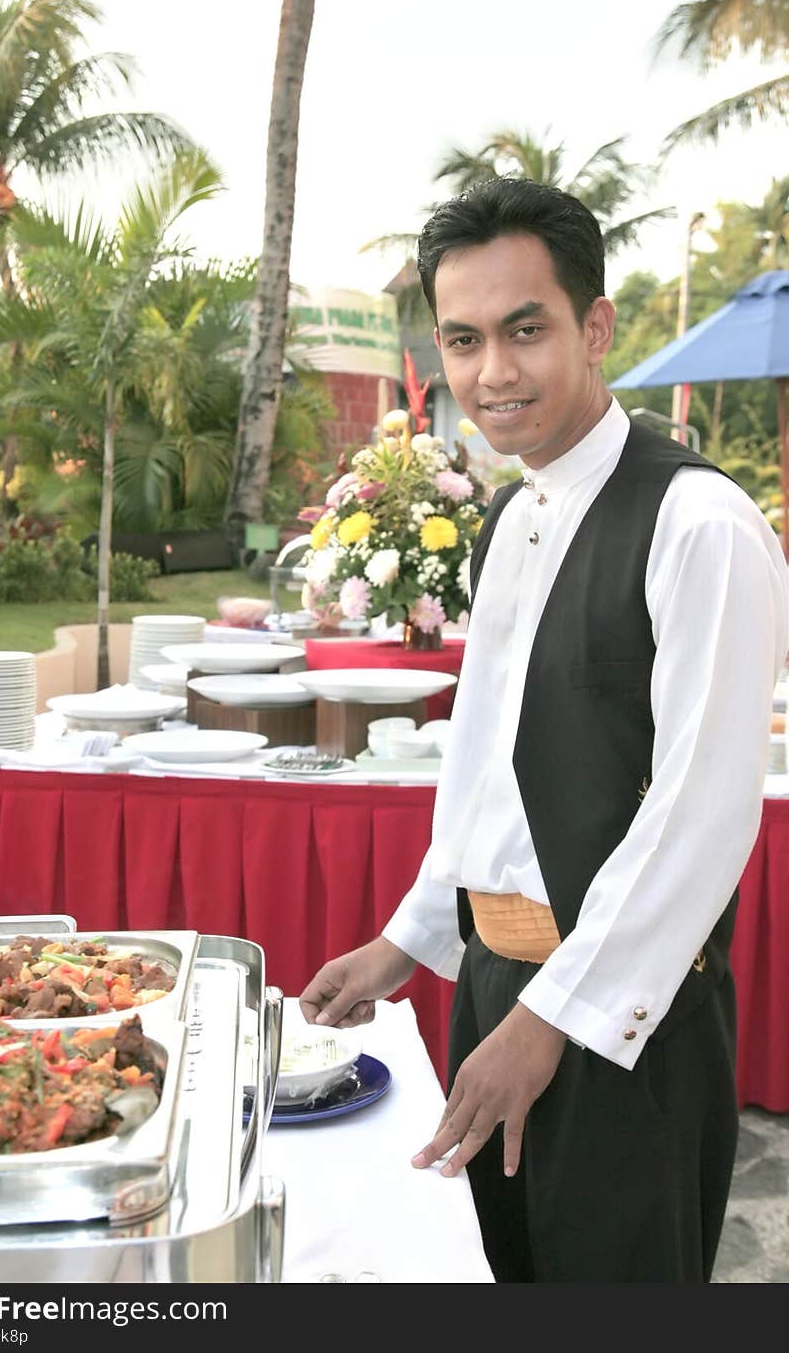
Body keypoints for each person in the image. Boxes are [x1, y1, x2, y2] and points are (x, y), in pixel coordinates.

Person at [299, 176, 789, 1283]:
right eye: (464, 340)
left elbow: (702, 815)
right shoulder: (515, 513)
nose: (492, 373)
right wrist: (409, 939)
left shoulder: (700, 524)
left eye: (526, 330)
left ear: (595, 326)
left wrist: (552, 1018)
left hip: (623, 1023)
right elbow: (488, 771)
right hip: (493, 987)